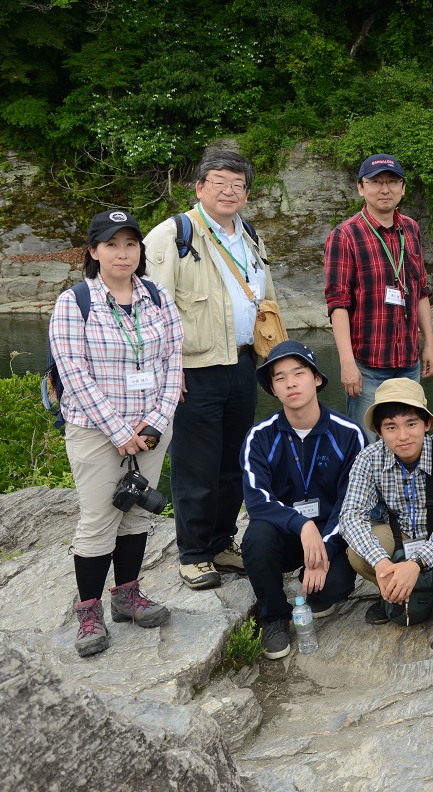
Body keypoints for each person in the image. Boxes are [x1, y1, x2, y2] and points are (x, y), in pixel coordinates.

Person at [49, 209, 184, 656]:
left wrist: (158, 420)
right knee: (98, 520)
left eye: (130, 244)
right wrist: (118, 430)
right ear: (93, 251)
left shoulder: (158, 296)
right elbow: (73, 373)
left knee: (137, 512)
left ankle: (127, 595)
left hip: (151, 429)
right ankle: (89, 613)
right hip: (95, 429)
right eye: (111, 245)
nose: (123, 254)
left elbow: (174, 362)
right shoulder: (75, 302)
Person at [145, 149, 278, 590]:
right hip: (193, 368)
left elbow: (266, 299)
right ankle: (194, 554)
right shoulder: (173, 234)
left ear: (247, 194)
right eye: (219, 182)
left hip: (242, 362)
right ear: (199, 187)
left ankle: (221, 542)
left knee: (233, 462)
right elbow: (151, 308)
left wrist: (275, 359)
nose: (229, 191)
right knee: (196, 465)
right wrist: (168, 368)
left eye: (238, 184)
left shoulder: (250, 235)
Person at [240, 341, 366, 659]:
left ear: (317, 378)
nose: (291, 383)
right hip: (285, 531)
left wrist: (324, 548)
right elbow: (257, 500)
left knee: (333, 587)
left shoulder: (349, 433)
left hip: (331, 532)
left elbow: (352, 502)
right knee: (256, 538)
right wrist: (301, 524)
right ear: (272, 388)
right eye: (280, 378)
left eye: (299, 373)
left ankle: (314, 586)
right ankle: (274, 617)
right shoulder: (260, 436)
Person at [339, 379, 433, 625]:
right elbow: (350, 516)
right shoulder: (368, 458)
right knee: (357, 554)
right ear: (379, 431)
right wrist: (381, 564)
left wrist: (415, 563)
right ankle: (394, 589)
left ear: (427, 424)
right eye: (391, 427)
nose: (403, 436)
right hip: (402, 534)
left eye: (411, 424)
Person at [325, 154, 433, 436]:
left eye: (392, 182)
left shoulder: (410, 228)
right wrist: (347, 364)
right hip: (367, 367)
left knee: (409, 441)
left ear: (403, 188)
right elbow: (338, 305)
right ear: (361, 188)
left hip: (408, 363)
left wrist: (430, 343)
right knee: (366, 444)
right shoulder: (344, 235)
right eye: (375, 182)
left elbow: (421, 291)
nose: (384, 189)